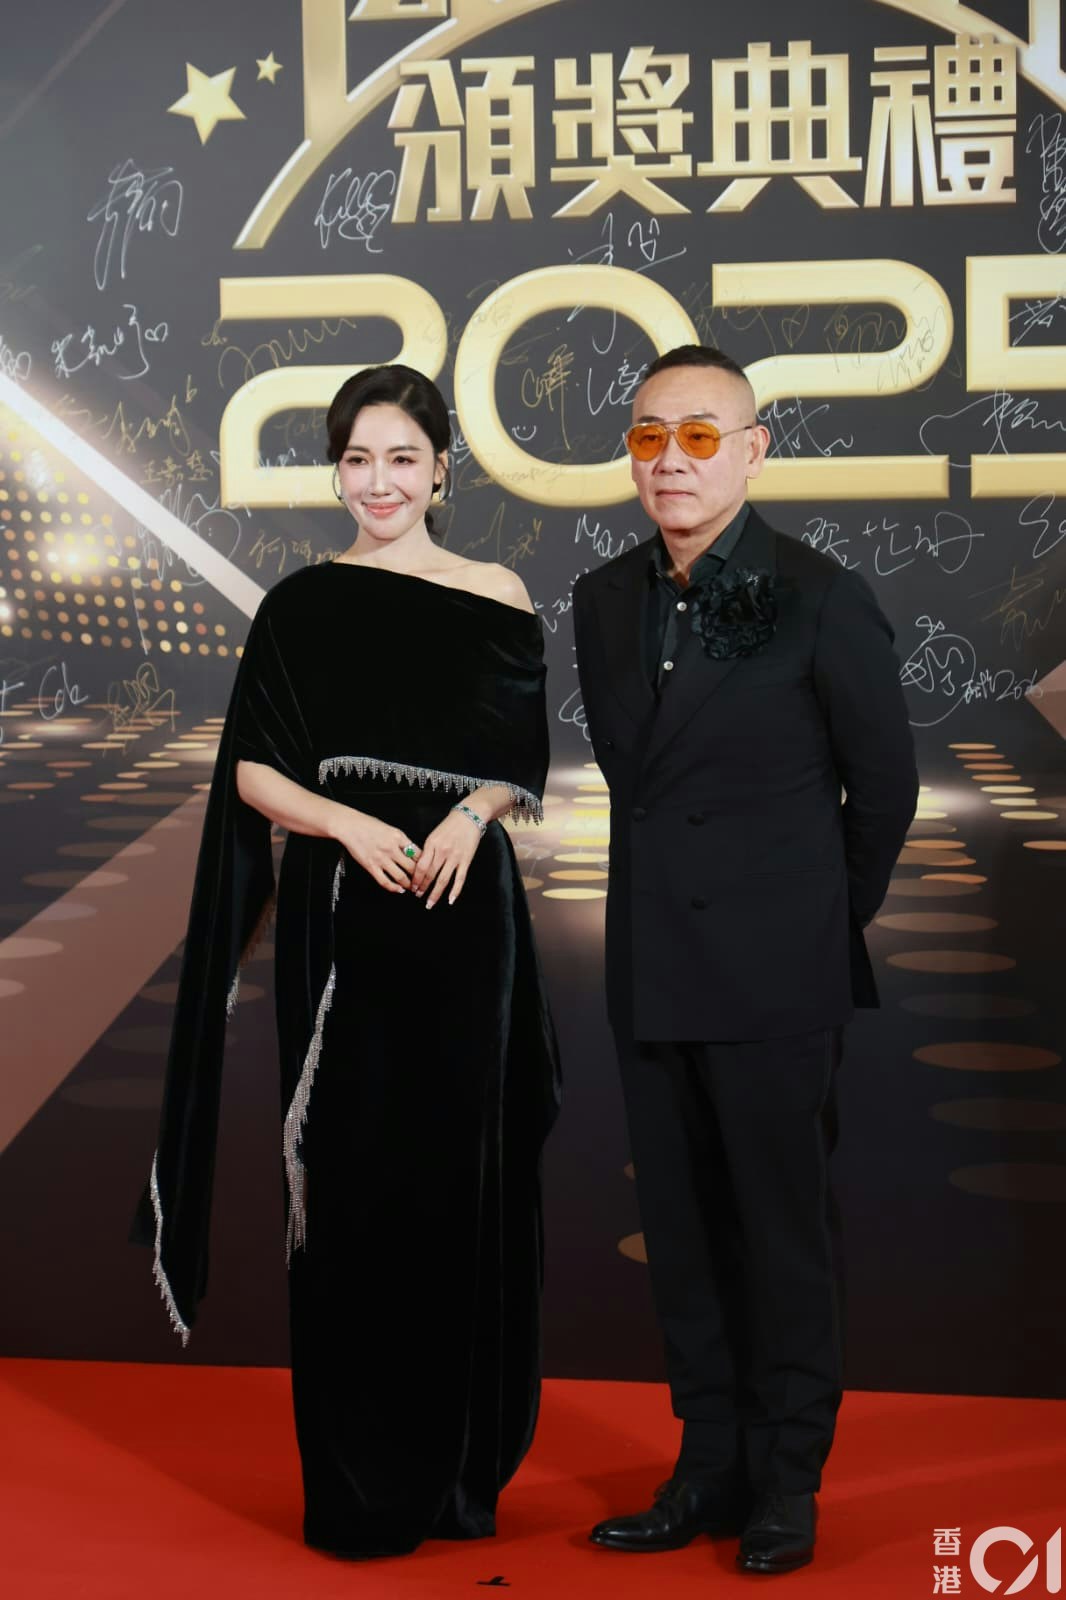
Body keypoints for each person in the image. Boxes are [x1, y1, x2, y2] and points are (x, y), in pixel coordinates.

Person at [133, 364, 560, 1558]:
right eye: (358, 460)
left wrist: (468, 817)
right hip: (343, 916)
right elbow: (253, 771)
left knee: (459, 1175)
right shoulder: (302, 605)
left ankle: (459, 1478)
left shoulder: (494, 590)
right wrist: (348, 825)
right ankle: (363, 1488)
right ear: (336, 473)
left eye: (402, 459)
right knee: (346, 1181)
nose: (380, 482)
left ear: (440, 469)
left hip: (466, 918)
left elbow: (518, 759)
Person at [571, 345, 917, 1575]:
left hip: (776, 975)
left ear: (754, 450)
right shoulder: (600, 599)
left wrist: (811, 924)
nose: (671, 460)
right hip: (652, 966)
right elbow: (637, 781)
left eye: (700, 436)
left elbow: (883, 790)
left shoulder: (818, 594)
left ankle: (785, 1480)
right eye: (648, 435)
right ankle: (704, 1465)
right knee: (681, 1234)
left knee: (781, 1237)